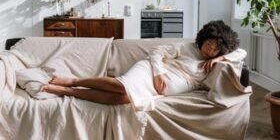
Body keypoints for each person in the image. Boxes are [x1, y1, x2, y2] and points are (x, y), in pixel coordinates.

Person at [41, 20, 246, 110]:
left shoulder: (217, 59)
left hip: (161, 89)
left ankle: (67, 91)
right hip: (152, 71)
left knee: (123, 99)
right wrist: (159, 74)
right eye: (209, 44)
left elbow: (241, 52)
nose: (209, 50)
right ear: (204, 38)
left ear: (222, 50)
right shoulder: (187, 47)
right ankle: (73, 81)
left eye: (215, 49)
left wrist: (219, 59)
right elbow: (157, 52)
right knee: (122, 86)